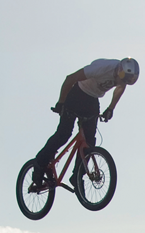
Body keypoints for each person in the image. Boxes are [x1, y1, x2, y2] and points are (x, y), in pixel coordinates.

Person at [31, 58, 138, 189]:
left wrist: (110, 108)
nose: (122, 82)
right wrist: (61, 103)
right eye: (122, 78)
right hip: (77, 94)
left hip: (92, 101)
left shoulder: (123, 77)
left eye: (126, 81)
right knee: (64, 134)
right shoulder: (102, 68)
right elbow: (70, 78)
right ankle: (40, 163)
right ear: (119, 70)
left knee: (89, 143)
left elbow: (120, 88)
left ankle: (77, 176)